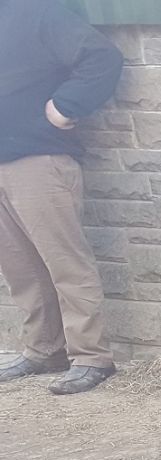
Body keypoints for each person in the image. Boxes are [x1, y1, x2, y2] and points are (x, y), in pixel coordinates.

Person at [0, 0, 124, 395]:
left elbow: (101, 56)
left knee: (65, 262)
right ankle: (43, 350)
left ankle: (91, 357)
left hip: (37, 159)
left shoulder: (37, 11)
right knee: (20, 269)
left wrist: (66, 106)